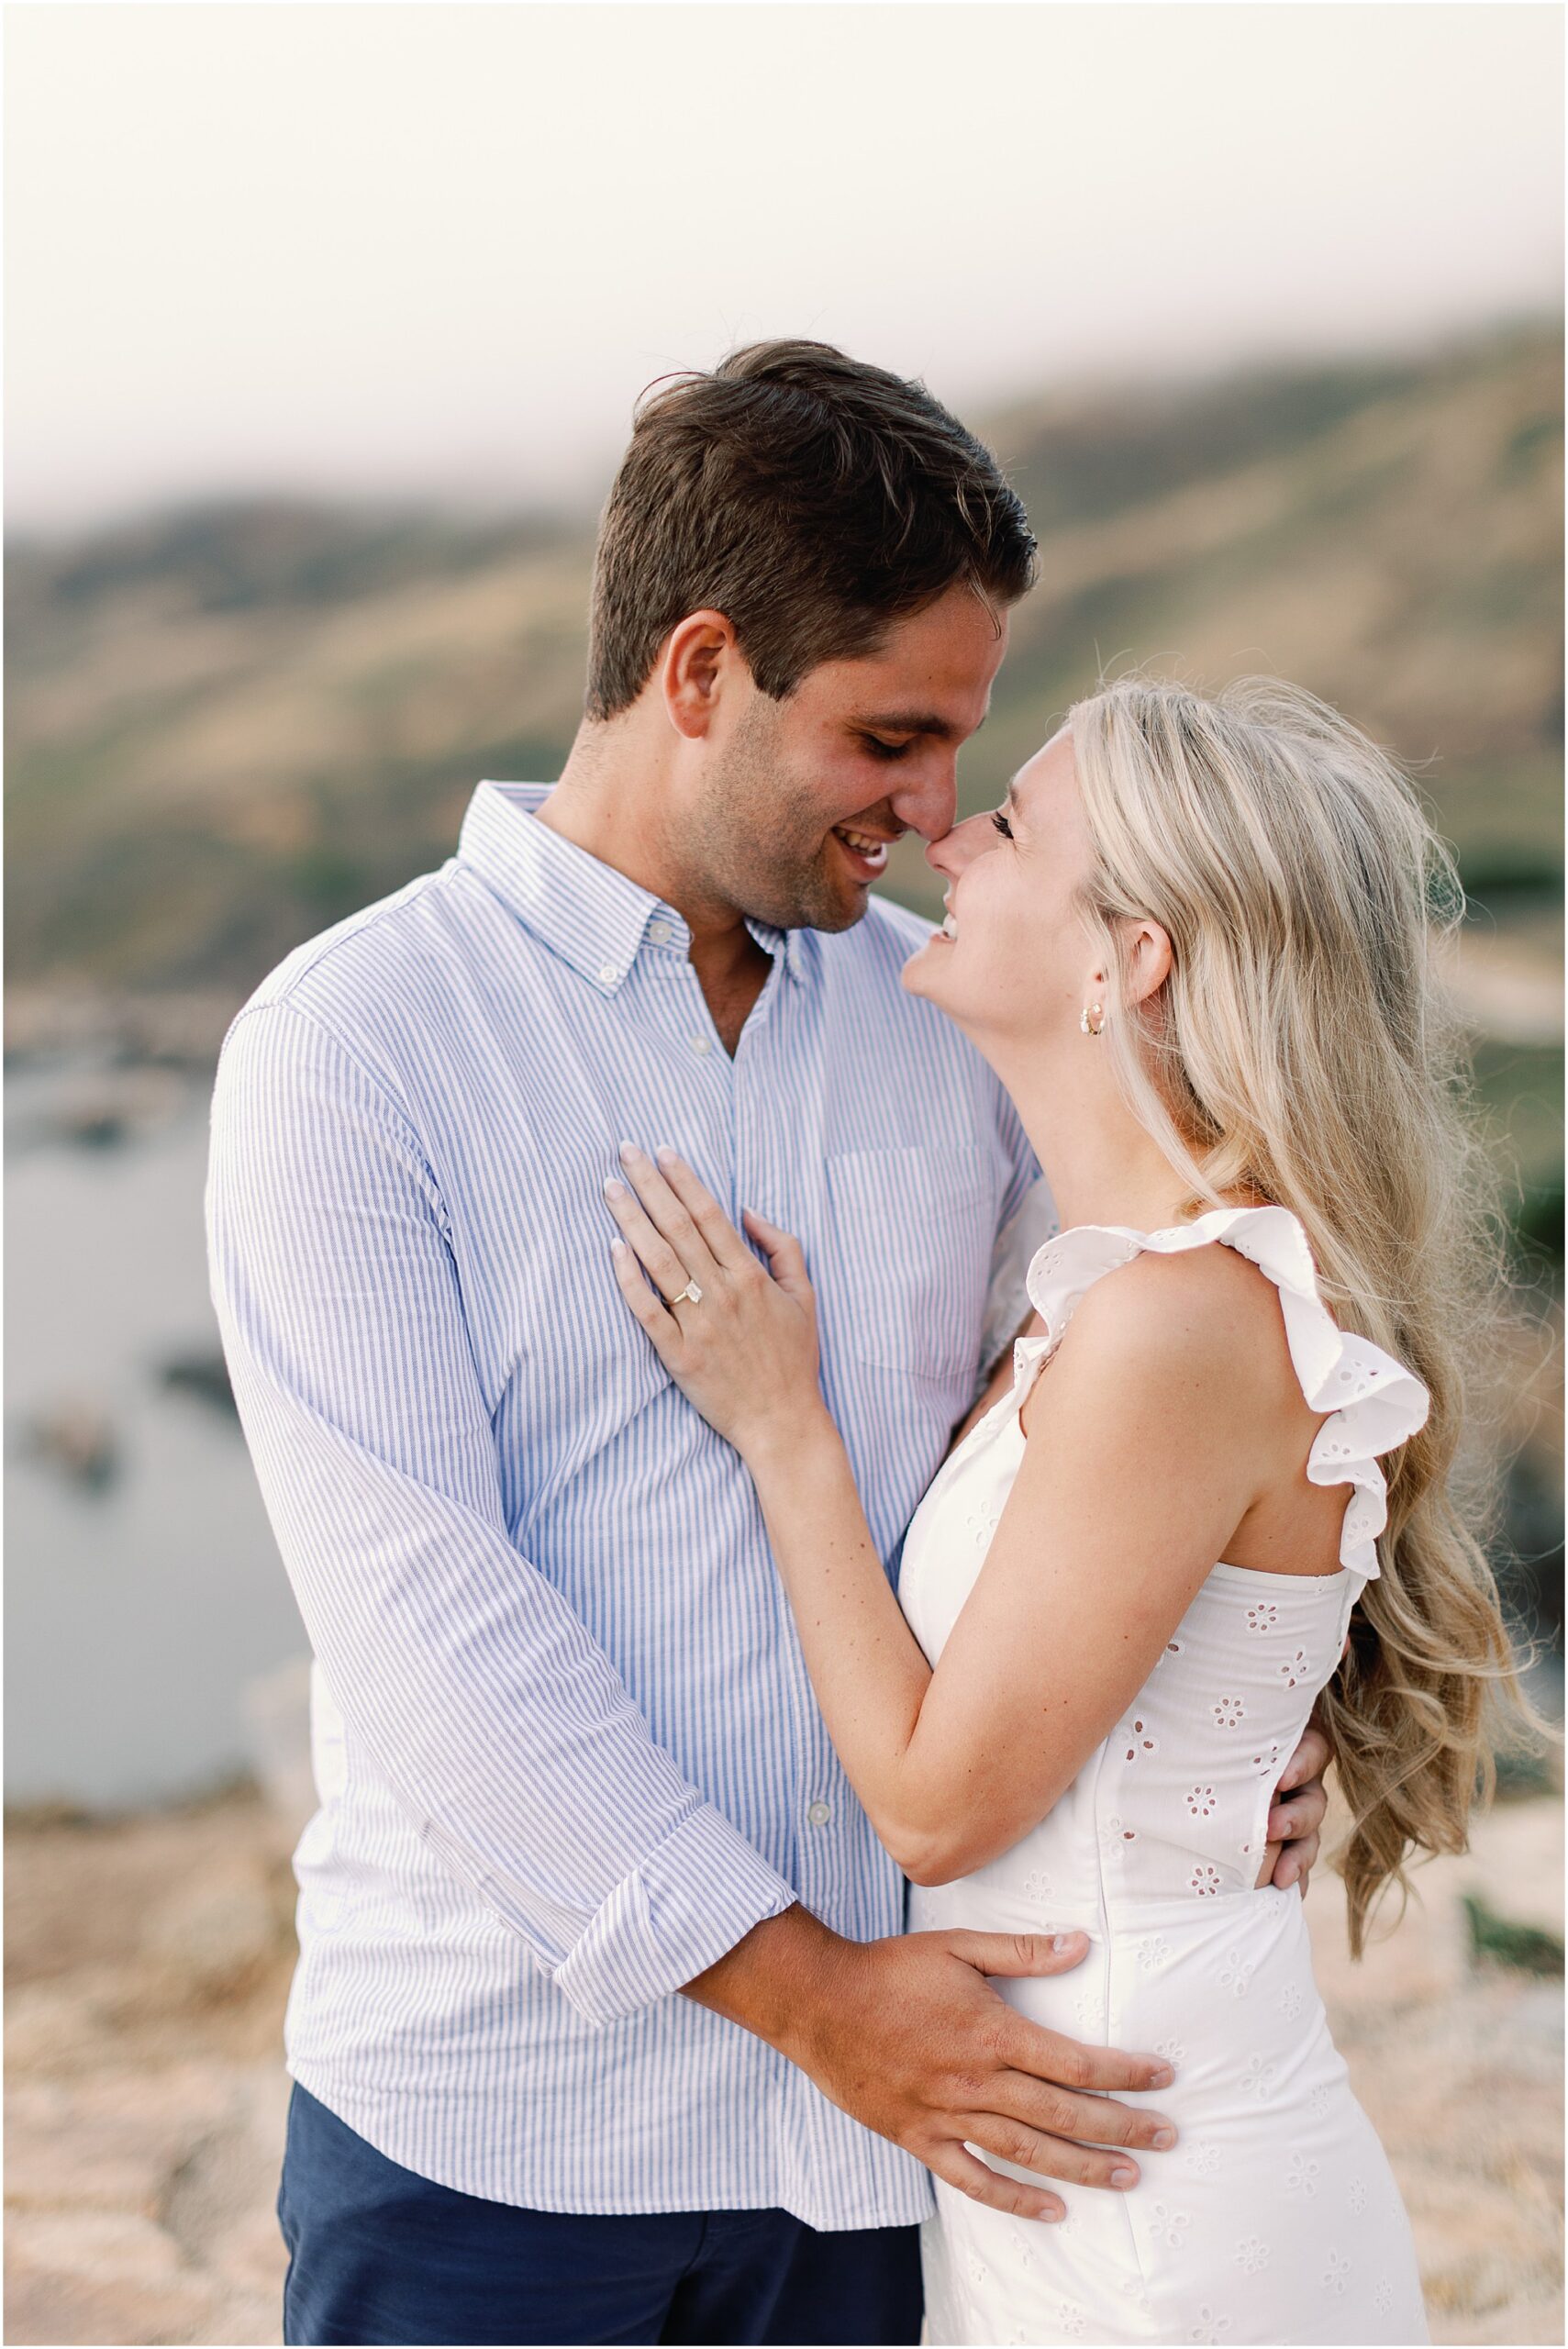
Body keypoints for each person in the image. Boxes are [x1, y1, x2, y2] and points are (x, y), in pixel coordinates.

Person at [206, 343, 1330, 2349]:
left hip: (891, 2161)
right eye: (891, 736)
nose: (931, 806)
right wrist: (820, 2001)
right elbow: (422, 1620)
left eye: (958, 744)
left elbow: (1098, 1443)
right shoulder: (351, 1042)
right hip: (500, 2137)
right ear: (703, 669)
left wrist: (1223, 1726)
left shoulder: (963, 1026)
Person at [603, 674, 1537, 2345]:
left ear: (1134, 956)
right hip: (1076, 2137)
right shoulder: (1111, 1294)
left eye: (1015, 824)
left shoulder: (1173, 1325)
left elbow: (937, 1809)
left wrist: (781, 1428)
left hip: (1141, 2195)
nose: (949, 837)